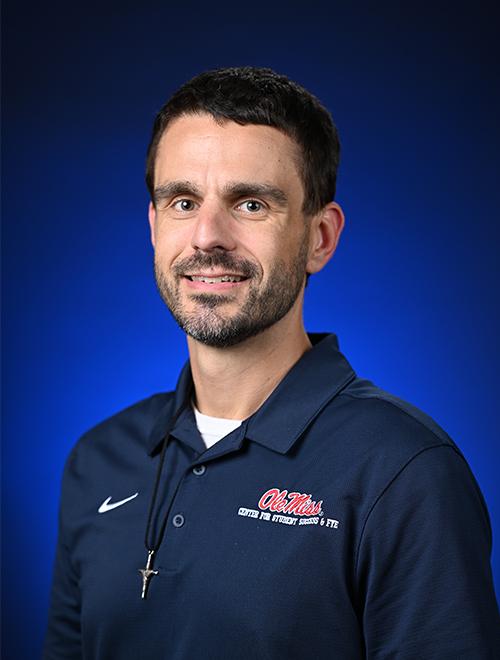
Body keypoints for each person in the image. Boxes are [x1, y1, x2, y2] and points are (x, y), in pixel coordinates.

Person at [44, 66, 499, 659]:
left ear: (320, 238)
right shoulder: (98, 460)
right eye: (183, 202)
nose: (207, 236)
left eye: (251, 203)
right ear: (154, 227)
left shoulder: (405, 473)